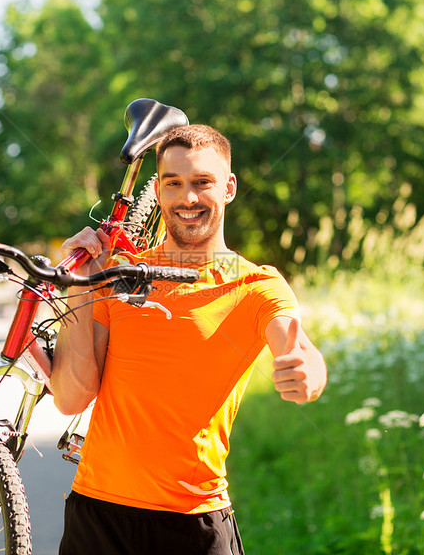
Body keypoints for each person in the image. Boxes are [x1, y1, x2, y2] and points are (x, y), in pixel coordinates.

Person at [50, 124, 327, 554]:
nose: (188, 198)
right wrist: (79, 282)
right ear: (158, 191)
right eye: (174, 183)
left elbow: (296, 344)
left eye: (202, 182)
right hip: (97, 515)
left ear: (229, 187)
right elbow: (71, 396)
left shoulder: (256, 285)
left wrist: (306, 370)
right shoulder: (120, 275)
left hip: (192, 526)